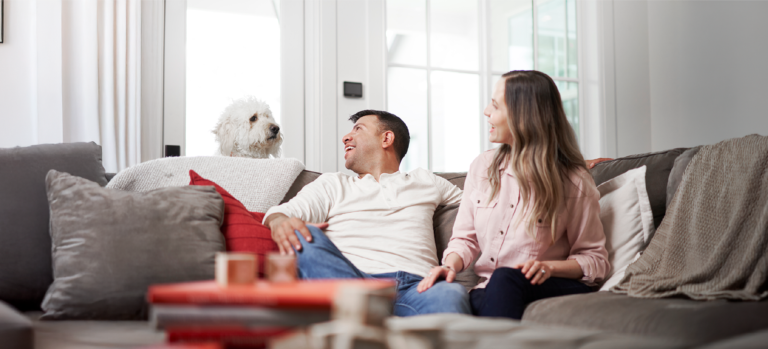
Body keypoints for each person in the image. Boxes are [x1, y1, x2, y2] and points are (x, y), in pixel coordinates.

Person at [417, 70, 610, 320]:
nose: (486, 111)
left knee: (505, 278)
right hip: (493, 286)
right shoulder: (482, 167)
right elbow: (465, 239)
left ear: (524, 116)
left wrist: (549, 268)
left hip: (549, 283)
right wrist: (449, 266)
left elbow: (595, 260)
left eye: (495, 105)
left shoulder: (574, 181)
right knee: (463, 299)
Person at [263, 110, 471, 316]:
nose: (345, 137)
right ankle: (366, 315)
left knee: (450, 293)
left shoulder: (426, 180)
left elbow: (479, 206)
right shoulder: (333, 184)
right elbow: (283, 213)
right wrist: (279, 221)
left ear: (386, 138)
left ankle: (366, 321)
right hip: (354, 283)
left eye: (358, 129)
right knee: (303, 235)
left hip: (419, 287)